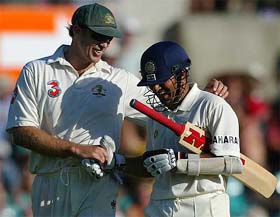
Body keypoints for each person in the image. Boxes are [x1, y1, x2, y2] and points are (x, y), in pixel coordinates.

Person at [6, 3, 229, 217]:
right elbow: (21, 131)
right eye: (98, 35)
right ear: (76, 30)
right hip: (50, 181)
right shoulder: (37, 71)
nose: (104, 43)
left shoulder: (118, 80)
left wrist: (203, 96)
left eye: (109, 38)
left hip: (98, 184)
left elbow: (173, 108)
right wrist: (76, 149)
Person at [124, 41, 243, 217]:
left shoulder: (213, 106)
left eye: (162, 80)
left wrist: (179, 161)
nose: (156, 88)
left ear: (182, 74)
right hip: (159, 206)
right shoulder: (156, 115)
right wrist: (114, 161)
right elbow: (151, 165)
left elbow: (232, 163)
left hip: (202, 206)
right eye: (152, 83)